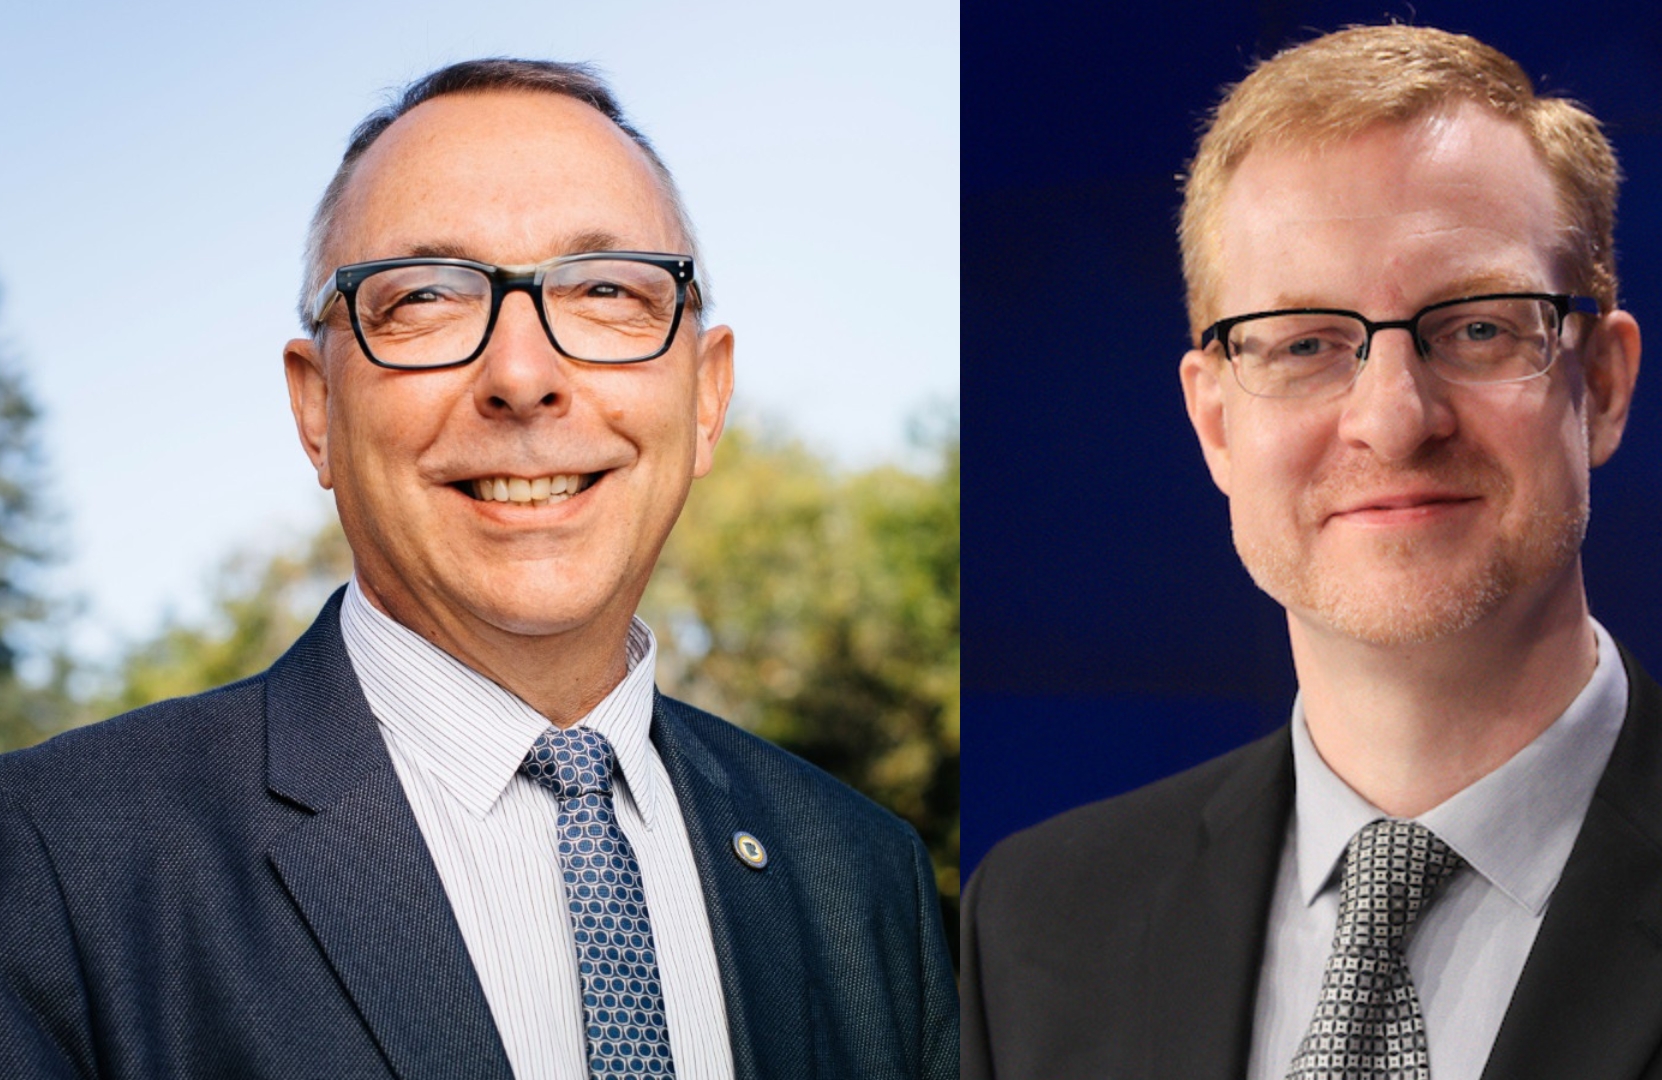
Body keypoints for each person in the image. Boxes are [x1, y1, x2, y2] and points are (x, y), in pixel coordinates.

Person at [960, 25, 1662, 1080]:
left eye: (1475, 329)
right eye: (1305, 342)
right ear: (1217, 423)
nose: (1394, 418)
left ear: (1599, 385)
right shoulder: (1031, 926)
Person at [0, 59, 957, 1080]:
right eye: (426, 297)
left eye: (603, 290)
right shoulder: (53, 861)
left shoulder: (864, 874)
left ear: (707, 394)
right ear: (315, 407)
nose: (522, 376)